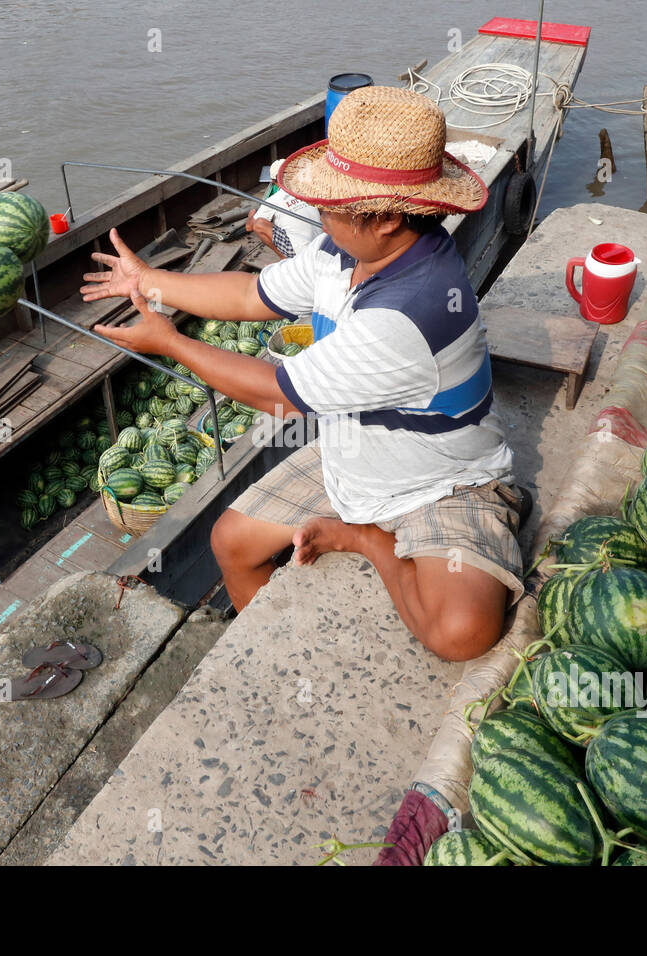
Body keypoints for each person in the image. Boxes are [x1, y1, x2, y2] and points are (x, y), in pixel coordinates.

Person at [81, 86, 530, 662]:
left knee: (460, 633)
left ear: (388, 217)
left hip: (438, 484)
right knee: (231, 541)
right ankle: (277, 660)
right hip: (357, 453)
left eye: (331, 203)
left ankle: (370, 539)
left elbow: (277, 394)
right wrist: (149, 283)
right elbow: (250, 292)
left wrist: (170, 343)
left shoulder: (408, 311)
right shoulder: (345, 253)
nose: (318, 212)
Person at [245, 159, 323, 259]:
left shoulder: (273, 200)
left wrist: (251, 214)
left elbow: (249, 227)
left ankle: (288, 262)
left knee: (259, 224)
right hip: (321, 245)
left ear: (274, 181)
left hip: (300, 253)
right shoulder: (307, 191)